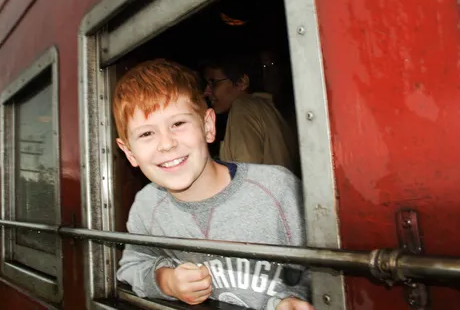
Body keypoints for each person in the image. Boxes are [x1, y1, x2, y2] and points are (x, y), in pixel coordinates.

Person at [113, 59, 312, 310]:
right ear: (129, 152)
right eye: (146, 134)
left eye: (178, 124)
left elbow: (326, 270)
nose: (166, 144)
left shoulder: (279, 190)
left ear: (208, 125)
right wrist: (165, 280)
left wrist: (293, 298)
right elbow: (132, 265)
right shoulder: (146, 205)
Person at [202, 55, 300, 175]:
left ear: (242, 82)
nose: (206, 91)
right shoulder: (273, 109)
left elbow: (245, 177)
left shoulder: (243, 108)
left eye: (213, 82)